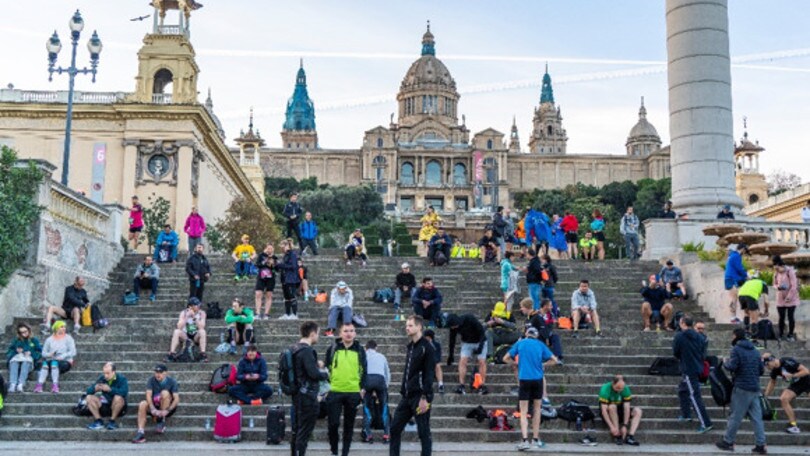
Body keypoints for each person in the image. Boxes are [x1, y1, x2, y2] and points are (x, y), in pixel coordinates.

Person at [503, 326, 558, 451]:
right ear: (537, 335)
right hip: (538, 380)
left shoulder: (520, 344)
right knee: (537, 409)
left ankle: (524, 440)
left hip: (524, 379)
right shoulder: (540, 344)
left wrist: (515, 363)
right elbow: (554, 360)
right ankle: (536, 439)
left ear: (526, 334)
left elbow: (505, 358)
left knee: (524, 411)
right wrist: (543, 364)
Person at [389, 315, 436, 456]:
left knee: (423, 432)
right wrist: (404, 389)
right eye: (406, 325)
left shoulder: (427, 348)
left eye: (410, 325)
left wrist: (425, 397)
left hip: (420, 396)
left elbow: (429, 373)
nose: (407, 328)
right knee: (394, 428)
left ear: (419, 327)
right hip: (407, 396)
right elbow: (408, 371)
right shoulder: (411, 347)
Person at [716, 328, 766, 453]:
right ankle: (761, 445)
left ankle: (728, 442)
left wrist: (724, 362)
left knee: (735, 417)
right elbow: (761, 370)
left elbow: (732, 366)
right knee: (757, 418)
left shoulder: (736, 350)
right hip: (755, 388)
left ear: (735, 336)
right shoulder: (755, 351)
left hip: (742, 388)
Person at [324, 322, 368, 456]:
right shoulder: (332, 348)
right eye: (345, 331)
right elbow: (326, 369)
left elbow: (364, 370)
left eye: (351, 331)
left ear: (355, 333)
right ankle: (334, 451)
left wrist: (363, 388)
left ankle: (345, 452)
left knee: (349, 426)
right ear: (340, 333)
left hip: (353, 392)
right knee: (333, 424)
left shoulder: (360, 349)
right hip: (334, 391)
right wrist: (326, 387)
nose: (349, 333)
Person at [290, 321, 330, 456]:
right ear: (312, 334)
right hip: (307, 396)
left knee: (297, 430)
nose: (318, 336)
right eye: (318, 334)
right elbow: (313, 374)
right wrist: (326, 374)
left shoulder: (294, 348)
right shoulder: (307, 351)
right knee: (304, 432)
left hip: (297, 394)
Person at [672, 315, 712, 433]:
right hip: (697, 367)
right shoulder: (700, 337)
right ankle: (686, 414)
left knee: (695, 396)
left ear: (683, 323)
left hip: (688, 369)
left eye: (680, 322)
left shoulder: (679, 336)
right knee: (683, 390)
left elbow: (676, 352)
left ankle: (706, 423)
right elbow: (702, 353)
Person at [131, 364, 180, 444]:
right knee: (142, 404)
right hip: (155, 406)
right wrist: (152, 408)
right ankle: (140, 432)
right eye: (156, 372)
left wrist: (168, 410)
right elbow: (148, 394)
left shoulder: (172, 381)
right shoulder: (151, 380)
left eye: (160, 372)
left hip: (167, 408)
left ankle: (161, 421)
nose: (158, 374)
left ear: (165, 373)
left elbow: (176, 398)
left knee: (165, 393)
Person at [763, 353, 809, 434]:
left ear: (772, 360)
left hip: (807, 381)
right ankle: (794, 425)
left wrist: (793, 375)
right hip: (796, 384)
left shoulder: (787, 361)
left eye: (767, 364)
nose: (767, 367)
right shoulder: (775, 370)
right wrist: (765, 395)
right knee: (784, 399)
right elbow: (772, 382)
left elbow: (806, 371)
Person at [446, 313, 489, 395]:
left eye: (454, 326)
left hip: (480, 340)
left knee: (481, 361)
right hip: (467, 342)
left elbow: (482, 332)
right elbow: (452, 341)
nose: (453, 328)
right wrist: (450, 355)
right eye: (451, 327)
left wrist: (481, 346)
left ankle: (482, 385)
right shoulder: (453, 327)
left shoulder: (469, 318)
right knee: (462, 361)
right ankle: (461, 385)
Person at [33, 321, 76, 393]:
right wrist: (49, 354)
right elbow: (43, 353)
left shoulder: (68, 338)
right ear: (56, 328)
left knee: (54, 363)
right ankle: (39, 385)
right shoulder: (49, 339)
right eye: (61, 327)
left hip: (65, 362)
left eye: (64, 327)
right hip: (51, 360)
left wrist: (62, 356)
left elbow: (73, 352)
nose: (64, 328)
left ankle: (55, 385)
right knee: (45, 364)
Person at [598, 375, 642, 446]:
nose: (619, 390)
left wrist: (625, 425)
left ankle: (630, 437)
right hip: (609, 412)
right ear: (613, 383)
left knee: (638, 411)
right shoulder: (605, 389)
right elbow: (604, 411)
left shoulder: (625, 389)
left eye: (621, 388)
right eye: (617, 388)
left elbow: (627, 408)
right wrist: (612, 427)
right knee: (612, 406)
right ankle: (617, 434)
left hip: (620, 410)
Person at [85, 362, 129, 430]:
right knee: (89, 397)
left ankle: (112, 421)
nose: (106, 376)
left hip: (118, 406)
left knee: (118, 397)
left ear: (113, 372)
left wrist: (110, 390)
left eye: (108, 373)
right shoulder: (102, 378)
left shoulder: (122, 379)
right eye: (104, 373)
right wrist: (94, 389)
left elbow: (124, 392)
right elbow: (88, 391)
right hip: (105, 405)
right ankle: (98, 421)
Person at [362, 340, 391, 443]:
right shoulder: (382, 356)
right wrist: (385, 386)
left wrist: (361, 387)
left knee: (367, 408)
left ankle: (368, 435)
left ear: (366, 348)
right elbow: (387, 372)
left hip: (368, 380)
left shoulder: (363, 355)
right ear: (376, 347)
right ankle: (386, 435)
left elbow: (360, 371)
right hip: (380, 380)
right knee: (384, 408)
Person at [520, 298, 564, 365]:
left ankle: (553, 358)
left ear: (527, 307)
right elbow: (525, 332)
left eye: (522, 307)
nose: (521, 309)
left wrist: (535, 337)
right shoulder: (527, 319)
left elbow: (544, 330)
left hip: (537, 344)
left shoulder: (537, 317)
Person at [167, 297, 207, 363]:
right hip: (185, 335)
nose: (198, 306)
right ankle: (171, 353)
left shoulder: (202, 313)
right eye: (196, 305)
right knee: (176, 331)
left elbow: (201, 327)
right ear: (190, 306)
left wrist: (194, 318)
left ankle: (203, 354)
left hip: (195, 336)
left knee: (202, 332)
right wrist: (187, 317)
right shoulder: (184, 313)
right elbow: (179, 326)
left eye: (198, 304)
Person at [6, 323, 42, 392]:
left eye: (25, 331)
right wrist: (16, 351)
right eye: (21, 332)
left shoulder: (34, 340)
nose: (24, 334)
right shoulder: (16, 340)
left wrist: (31, 353)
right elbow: (9, 352)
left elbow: (40, 352)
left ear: (29, 330)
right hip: (17, 360)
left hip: (28, 362)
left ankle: (20, 384)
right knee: (14, 362)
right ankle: (13, 383)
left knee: (26, 361)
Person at [738, 271, 770, 342]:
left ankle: (745, 335)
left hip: (741, 295)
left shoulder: (747, 282)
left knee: (747, 314)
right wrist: (766, 310)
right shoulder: (763, 284)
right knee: (754, 319)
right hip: (750, 296)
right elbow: (766, 301)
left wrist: (758, 312)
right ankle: (754, 340)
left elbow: (754, 308)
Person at [773, 258, 800, 341]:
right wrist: (778, 287)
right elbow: (774, 284)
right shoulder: (776, 273)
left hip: (791, 299)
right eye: (775, 268)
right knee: (781, 317)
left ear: (782, 266)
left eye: (778, 268)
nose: (777, 270)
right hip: (780, 298)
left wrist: (789, 297)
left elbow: (794, 286)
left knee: (790, 316)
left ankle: (790, 334)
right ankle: (780, 334)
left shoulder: (790, 272)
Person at [277, 239, 301, 320]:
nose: (282, 248)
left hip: (291, 279)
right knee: (286, 297)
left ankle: (294, 314)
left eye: (283, 246)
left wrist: (281, 265)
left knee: (292, 296)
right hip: (284, 279)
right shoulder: (285, 255)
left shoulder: (292, 254)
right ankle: (287, 314)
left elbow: (293, 266)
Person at [725, 244, 749, 324]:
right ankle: (733, 318)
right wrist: (747, 275)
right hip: (732, 279)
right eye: (745, 251)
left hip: (730, 279)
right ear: (742, 249)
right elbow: (739, 268)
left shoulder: (732, 256)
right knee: (734, 299)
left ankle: (733, 317)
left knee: (734, 298)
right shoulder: (736, 256)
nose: (745, 253)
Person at [254, 243, 277, 320]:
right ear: (266, 248)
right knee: (258, 293)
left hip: (270, 278)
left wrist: (273, 264)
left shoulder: (275, 257)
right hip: (261, 277)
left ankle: (266, 314)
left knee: (269, 294)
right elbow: (257, 264)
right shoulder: (261, 255)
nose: (269, 250)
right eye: (268, 248)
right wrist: (265, 261)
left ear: (273, 249)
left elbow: (277, 269)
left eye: (271, 248)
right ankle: (257, 313)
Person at [423, 329, 445, 394]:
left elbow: (438, 356)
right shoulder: (422, 344)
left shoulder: (436, 345)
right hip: (425, 363)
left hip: (433, 363)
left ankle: (441, 384)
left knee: (438, 365)